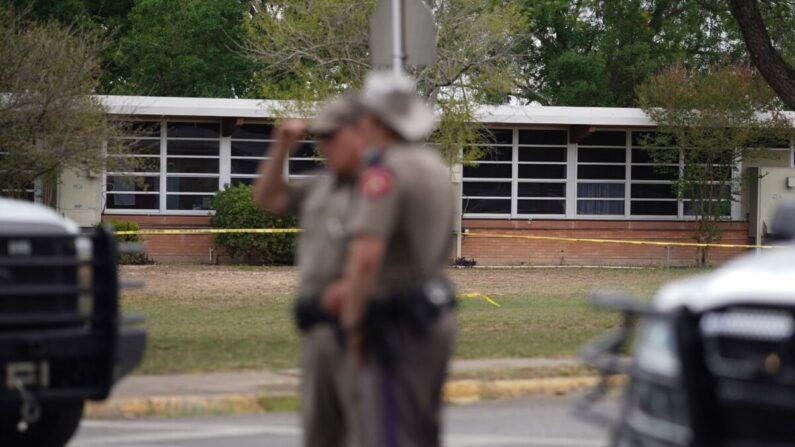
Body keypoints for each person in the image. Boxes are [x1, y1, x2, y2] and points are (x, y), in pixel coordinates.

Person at [325, 71, 457, 447]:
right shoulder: (433, 166)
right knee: (422, 430)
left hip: (398, 322)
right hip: (435, 315)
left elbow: (366, 256)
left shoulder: (385, 171)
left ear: (372, 120)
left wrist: (352, 326)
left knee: (389, 434)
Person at [252, 96, 367, 447]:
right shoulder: (320, 185)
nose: (323, 146)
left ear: (360, 133)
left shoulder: (380, 188)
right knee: (320, 433)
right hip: (318, 329)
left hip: (361, 331)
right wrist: (282, 146)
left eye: (332, 136)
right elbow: (267, 198)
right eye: (320, 137)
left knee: (366, 431)